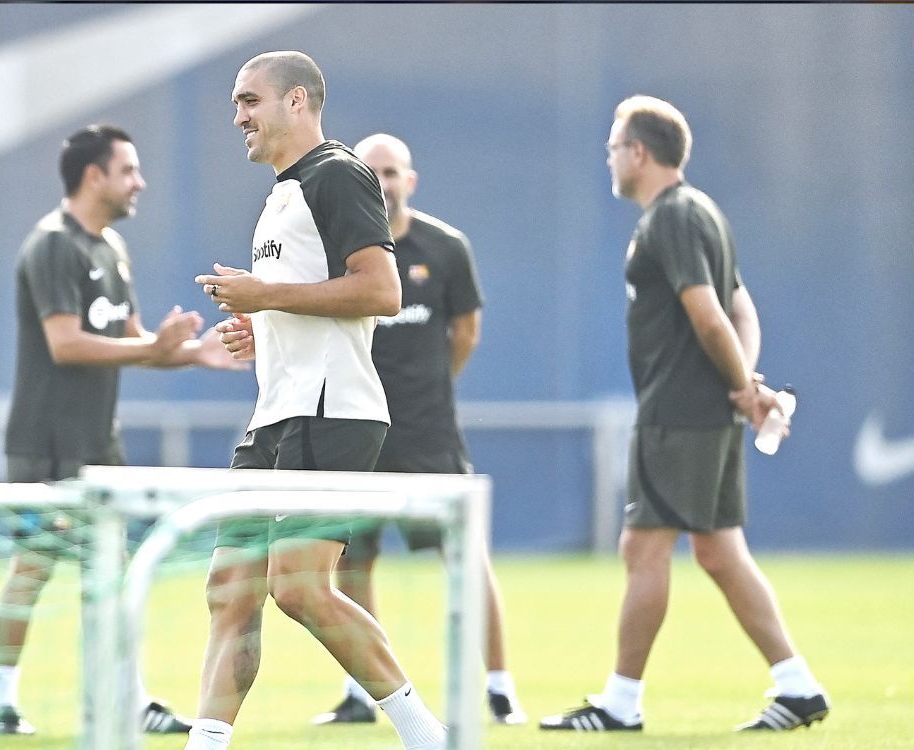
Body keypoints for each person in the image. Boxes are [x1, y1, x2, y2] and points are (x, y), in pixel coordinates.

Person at [182, 51, 448, 750]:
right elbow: (309, 301)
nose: (237, 116)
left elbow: (382, 292)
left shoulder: (339, 173)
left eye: (249, 101)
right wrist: (258, 326)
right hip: (276, 412)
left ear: (296, 101)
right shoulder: (279, 193)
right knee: (229, 589)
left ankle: (429, 736)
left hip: (332, 412)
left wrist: (266, 296)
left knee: (299, 589)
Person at [539, 96, 830, 733]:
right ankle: (799, 686)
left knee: (642, 550)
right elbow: (741, 310)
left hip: (678, 416)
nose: (610, 159)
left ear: (639, 153)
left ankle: (620, 704)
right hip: (708, 414)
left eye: (615, 147)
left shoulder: (669, 218)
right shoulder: (703, 211)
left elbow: (708, 313)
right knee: (721, 555)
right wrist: (745, 386)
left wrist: (741, 387)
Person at [0, 124, 246, 736]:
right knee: (34, 566)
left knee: (117, 573)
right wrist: (154, 348)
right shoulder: (52, 245)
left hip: (100, 444)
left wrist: (195, 353)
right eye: (129, 170)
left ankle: (130, 697)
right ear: (94, 175)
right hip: (45, 443)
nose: (139, 182)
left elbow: (132, 345)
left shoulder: (111, 249)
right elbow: (66, 345)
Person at [308, 133, 525, 728]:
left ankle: (501, 688)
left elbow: (467, 334)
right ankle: (362, 694)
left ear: (412, 179)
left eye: (393, 171)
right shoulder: (342, 251)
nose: (383, 181)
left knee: (465, 557)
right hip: (359, 431)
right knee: (351, 563)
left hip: (429, 435)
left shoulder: (446, 248)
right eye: (371, 172)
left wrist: (430, 392)